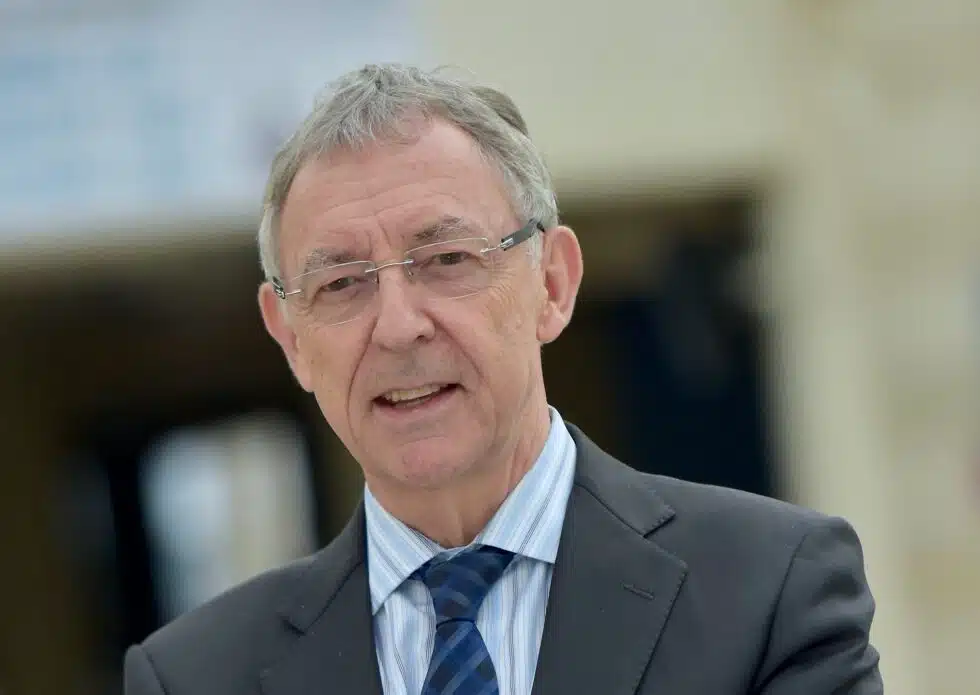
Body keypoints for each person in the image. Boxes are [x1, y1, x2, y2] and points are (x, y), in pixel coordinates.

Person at [124, 64, 883, 695]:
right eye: (342, 284)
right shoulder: (193, 677)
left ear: (552, 283)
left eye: (447, 260)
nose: (398, 326)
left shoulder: (771, 589)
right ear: (290, 335)